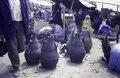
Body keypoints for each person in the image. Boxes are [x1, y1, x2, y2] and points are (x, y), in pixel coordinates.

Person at [0, 0, 29, 77]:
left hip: (21, 24)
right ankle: (16, 67)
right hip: (8, 26)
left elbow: (26, 13)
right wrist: (1, 32)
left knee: (22, 47)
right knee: (13, 49)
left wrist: (27, 26)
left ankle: (11, 52)